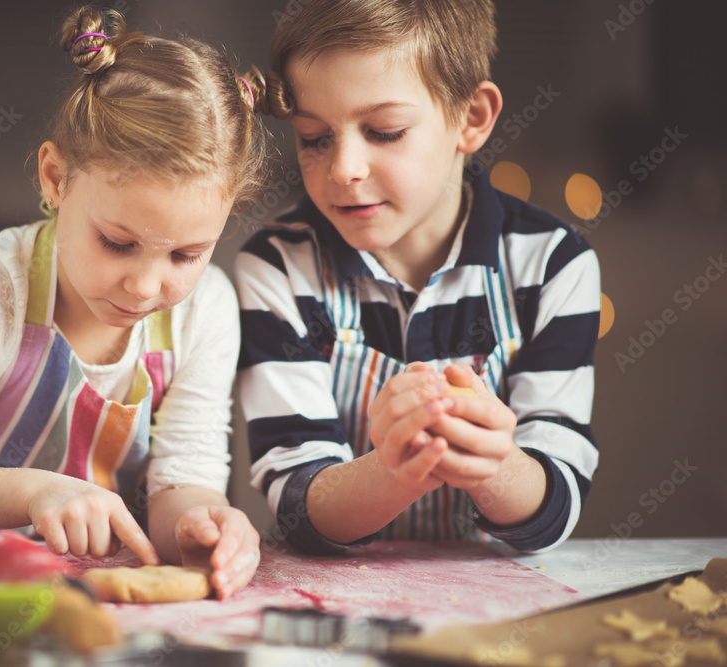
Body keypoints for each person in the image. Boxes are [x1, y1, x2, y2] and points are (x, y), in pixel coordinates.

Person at [0, 5, 271, 599]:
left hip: (98, 596)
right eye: (117, 242)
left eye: (184, 255)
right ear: (55, 179)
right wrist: (37, 492)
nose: (144, 285)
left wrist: (199, 522)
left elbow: (181, 485)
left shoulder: (204, 309)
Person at [236, 0, 600, 555]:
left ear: (471, 118)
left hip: (497, 606)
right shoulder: (278, 267)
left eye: (384, 131)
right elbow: (297, 506)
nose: (344, 169)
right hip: (333, 603)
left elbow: (555, 503)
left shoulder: (552, 264)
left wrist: (491, 464)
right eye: (315, 138)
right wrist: (393, 472)